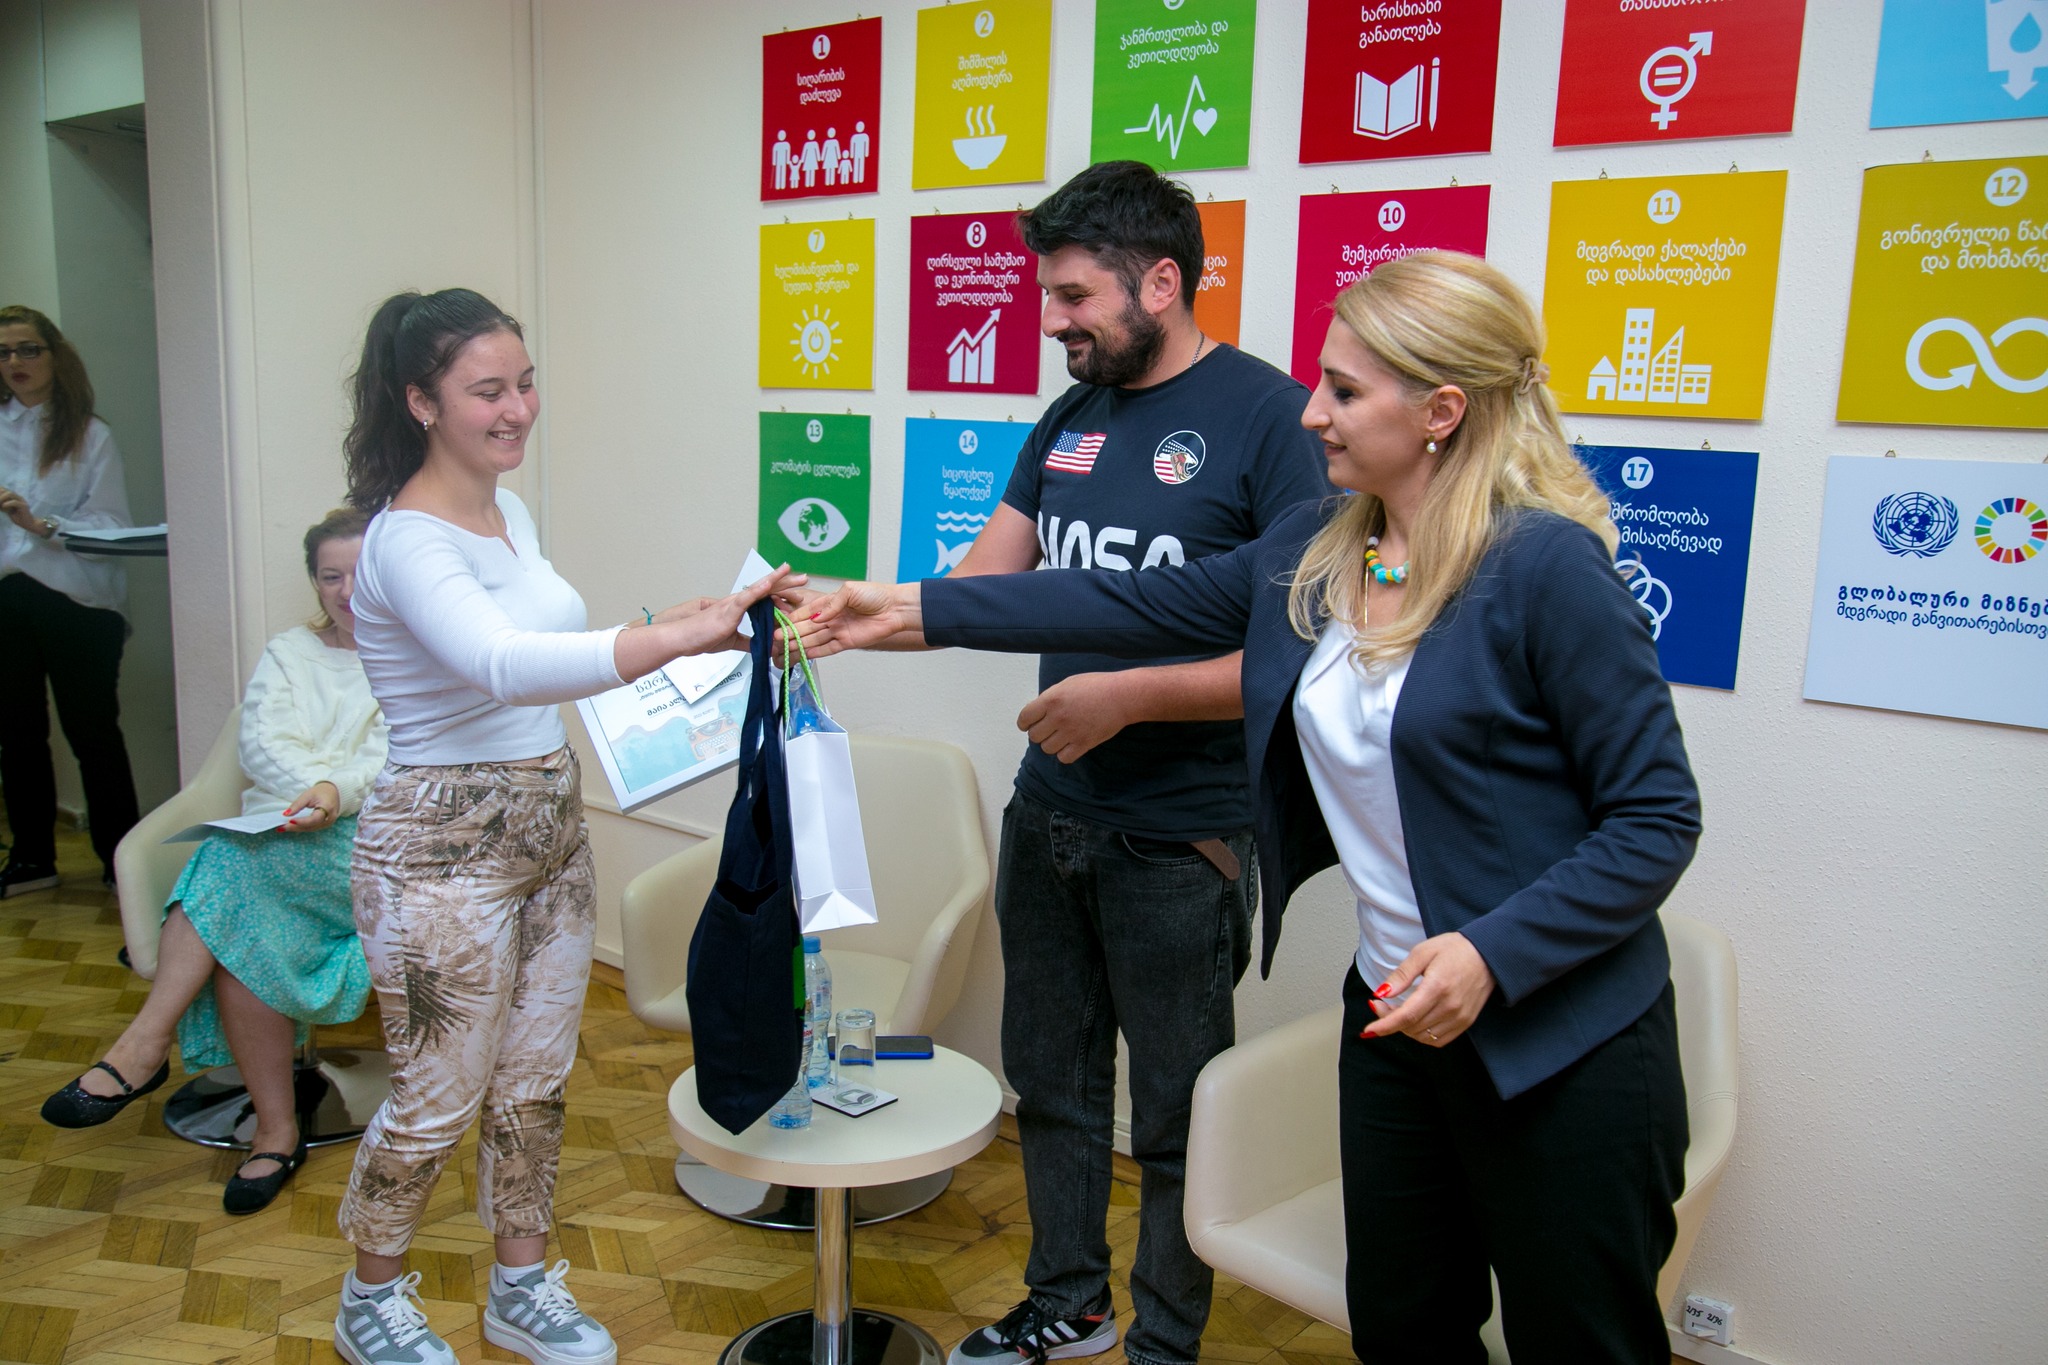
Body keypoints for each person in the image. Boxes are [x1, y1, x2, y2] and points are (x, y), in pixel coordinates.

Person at [801, 252, 1702, 1365]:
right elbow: (1124, 599)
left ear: (1441, 412)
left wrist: (1487, 954)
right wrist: (897, 611)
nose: (1311, 412)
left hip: (1556, 1040)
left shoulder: (1543, 568)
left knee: (1582, 1343)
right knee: (1405, 1331)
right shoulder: (1328, 550)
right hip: (1395, 1020)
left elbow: (1656, 819)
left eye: (1344, 391)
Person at [827, 161, 1329, 1365]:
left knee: (1172, 1115)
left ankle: (1166, 1339)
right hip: (1049, 814)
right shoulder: (1070, 419)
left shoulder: (1273, 422)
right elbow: (982, 584)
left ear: (1159, 282)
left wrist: (1131, 698)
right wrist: (845, 614)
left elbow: (1304, 656)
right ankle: (1069, 1301)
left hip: (1183, 842)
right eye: (1045, 295)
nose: (1050, 321)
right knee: (1048, 1084)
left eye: (1071, 296)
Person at [332, 287, 800, 1365]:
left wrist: (694, 622)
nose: (517, 410)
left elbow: (549, 649)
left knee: (533, 1085)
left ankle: (521, 1286)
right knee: (435, 1099)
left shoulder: (507, 513)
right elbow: (501, 662)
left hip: (546, 821)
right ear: (420, 401)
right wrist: (668, 640)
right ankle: (369, 1297)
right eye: (487, 391)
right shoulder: (403, 541)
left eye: (526, 383)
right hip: (440, 849)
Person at [39, 508, 384, 1215]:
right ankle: (274, 1129)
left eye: (361, 574)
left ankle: (150, 1048)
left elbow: (394, 760)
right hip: (276, 832)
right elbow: (261, 742)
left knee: (228, 867)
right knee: (241, 903)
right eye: (330, 576)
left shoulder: (417, 658)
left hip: (366, 847)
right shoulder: (290, 651)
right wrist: (308, 794)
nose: (346, 591)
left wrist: (333, 794)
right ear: (314, 582)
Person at [0, 305, 142, 896]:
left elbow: (113, 526)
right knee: (17, 734)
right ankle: (33, 859)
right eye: (4, 353)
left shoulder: (89, 433)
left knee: (93, 734)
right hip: (7, 597)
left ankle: (120, 862)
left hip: (78, 601)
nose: (15, 362)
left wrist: (41, 524)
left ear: (55, 356)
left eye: (28, 349)